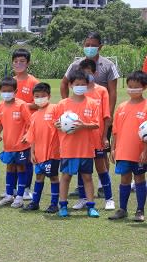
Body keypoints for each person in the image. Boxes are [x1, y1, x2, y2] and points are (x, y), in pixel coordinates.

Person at [60, 32, 120, 199]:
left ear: (100, 47)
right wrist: (68, 106)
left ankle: (102, 186)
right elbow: (64, 83)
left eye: (93, 45)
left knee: (101, 153)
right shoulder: (75, 65)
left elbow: (113, 91)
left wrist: (109, 115)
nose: (89, 48)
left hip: (100, 117)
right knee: (82, 153)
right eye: (87, 44)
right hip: (79, 117)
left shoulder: (108, 65)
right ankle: (81, 190)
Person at [54, 70, 101, 218]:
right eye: (77, 84)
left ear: (87, 85)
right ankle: (62, 205)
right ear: (70, 85)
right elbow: (56, 123)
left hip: (86, 149)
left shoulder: (92, 103)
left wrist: (83, 126)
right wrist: (60, 125)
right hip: (68, 149)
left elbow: (96, 124)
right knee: (66, 177)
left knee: (87, 177)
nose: (80, 87)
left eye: (83, 84)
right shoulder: (62, 104)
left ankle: (91, 207)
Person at [71, 58, 115, 211]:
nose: (85, 76)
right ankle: (83, 198)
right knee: (81, 169)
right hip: (81, 140)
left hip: (96, 138)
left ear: (94, 73)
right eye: (82, 73)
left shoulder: (101, 91)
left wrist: (104, 137)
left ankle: (109, 198)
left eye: (88, 73)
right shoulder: (78, 92)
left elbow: (106, 117)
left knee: (101, 167)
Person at [108, 71, 147, 222]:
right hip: (123, 152)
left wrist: (145, 150)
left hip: (139, 153)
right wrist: (113, 148)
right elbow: (116, 131)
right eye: (130, 86)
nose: (132, 89)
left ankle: (139, 211)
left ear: (144, 87)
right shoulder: (122, 107)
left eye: (136, 87)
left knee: (139, 179)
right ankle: (122, 209)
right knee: (124, 179)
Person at [23, 82, 61, 213]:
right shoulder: (34, 115)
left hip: (52, 152)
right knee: (39, 177)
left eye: (43, 95)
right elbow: (31, 136)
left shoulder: (55, 108)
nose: (40, 98)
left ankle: (54, 204)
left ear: (49, 96)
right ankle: (35, 202)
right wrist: (32, 152)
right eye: (37, 96)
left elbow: (62, 126)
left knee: (53, 177)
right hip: (38, 153)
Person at [0, 77, 32, 209]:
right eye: (4, 91)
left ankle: (20, 197)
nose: (6, 93)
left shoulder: (21, 105)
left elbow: (30, 124)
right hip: (8, 145)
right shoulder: (0, 106)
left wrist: (27, 135)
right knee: (10, 168)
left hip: (22, 145)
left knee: (21, 168)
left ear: (15, 91)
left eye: (9, 91)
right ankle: (9, 195)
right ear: (0, 91)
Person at [12, 48, 39, 200]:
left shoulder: (33, 81)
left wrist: (22, 106)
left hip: (28, 126)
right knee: (14, 159)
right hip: (14, 126)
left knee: (27, 158)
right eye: (16, 61)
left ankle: (27, 188)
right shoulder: (11, 81)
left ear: (28, 63)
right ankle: (14, 187)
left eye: (22, 61)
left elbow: (39, 103)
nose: (19, 64)